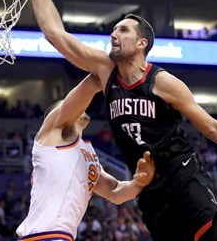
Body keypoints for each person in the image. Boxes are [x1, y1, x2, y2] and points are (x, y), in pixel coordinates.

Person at [13, 0, 217, 241]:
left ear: (141, 43)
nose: (114, 34)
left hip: (181, 172)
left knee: (214, 231)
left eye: (123, 30)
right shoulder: (105, 70)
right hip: (148, 187)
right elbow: (56, 35)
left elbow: (212, 129)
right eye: (113, 29)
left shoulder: (163, 82)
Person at [15, 74, 155, 241]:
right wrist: (102, 72)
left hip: (59, 236)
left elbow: (115, 191)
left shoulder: (89, 154)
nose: (73, 107)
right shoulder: (51, 137)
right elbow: (82, 93)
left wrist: (139, 182)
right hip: (42, 234)